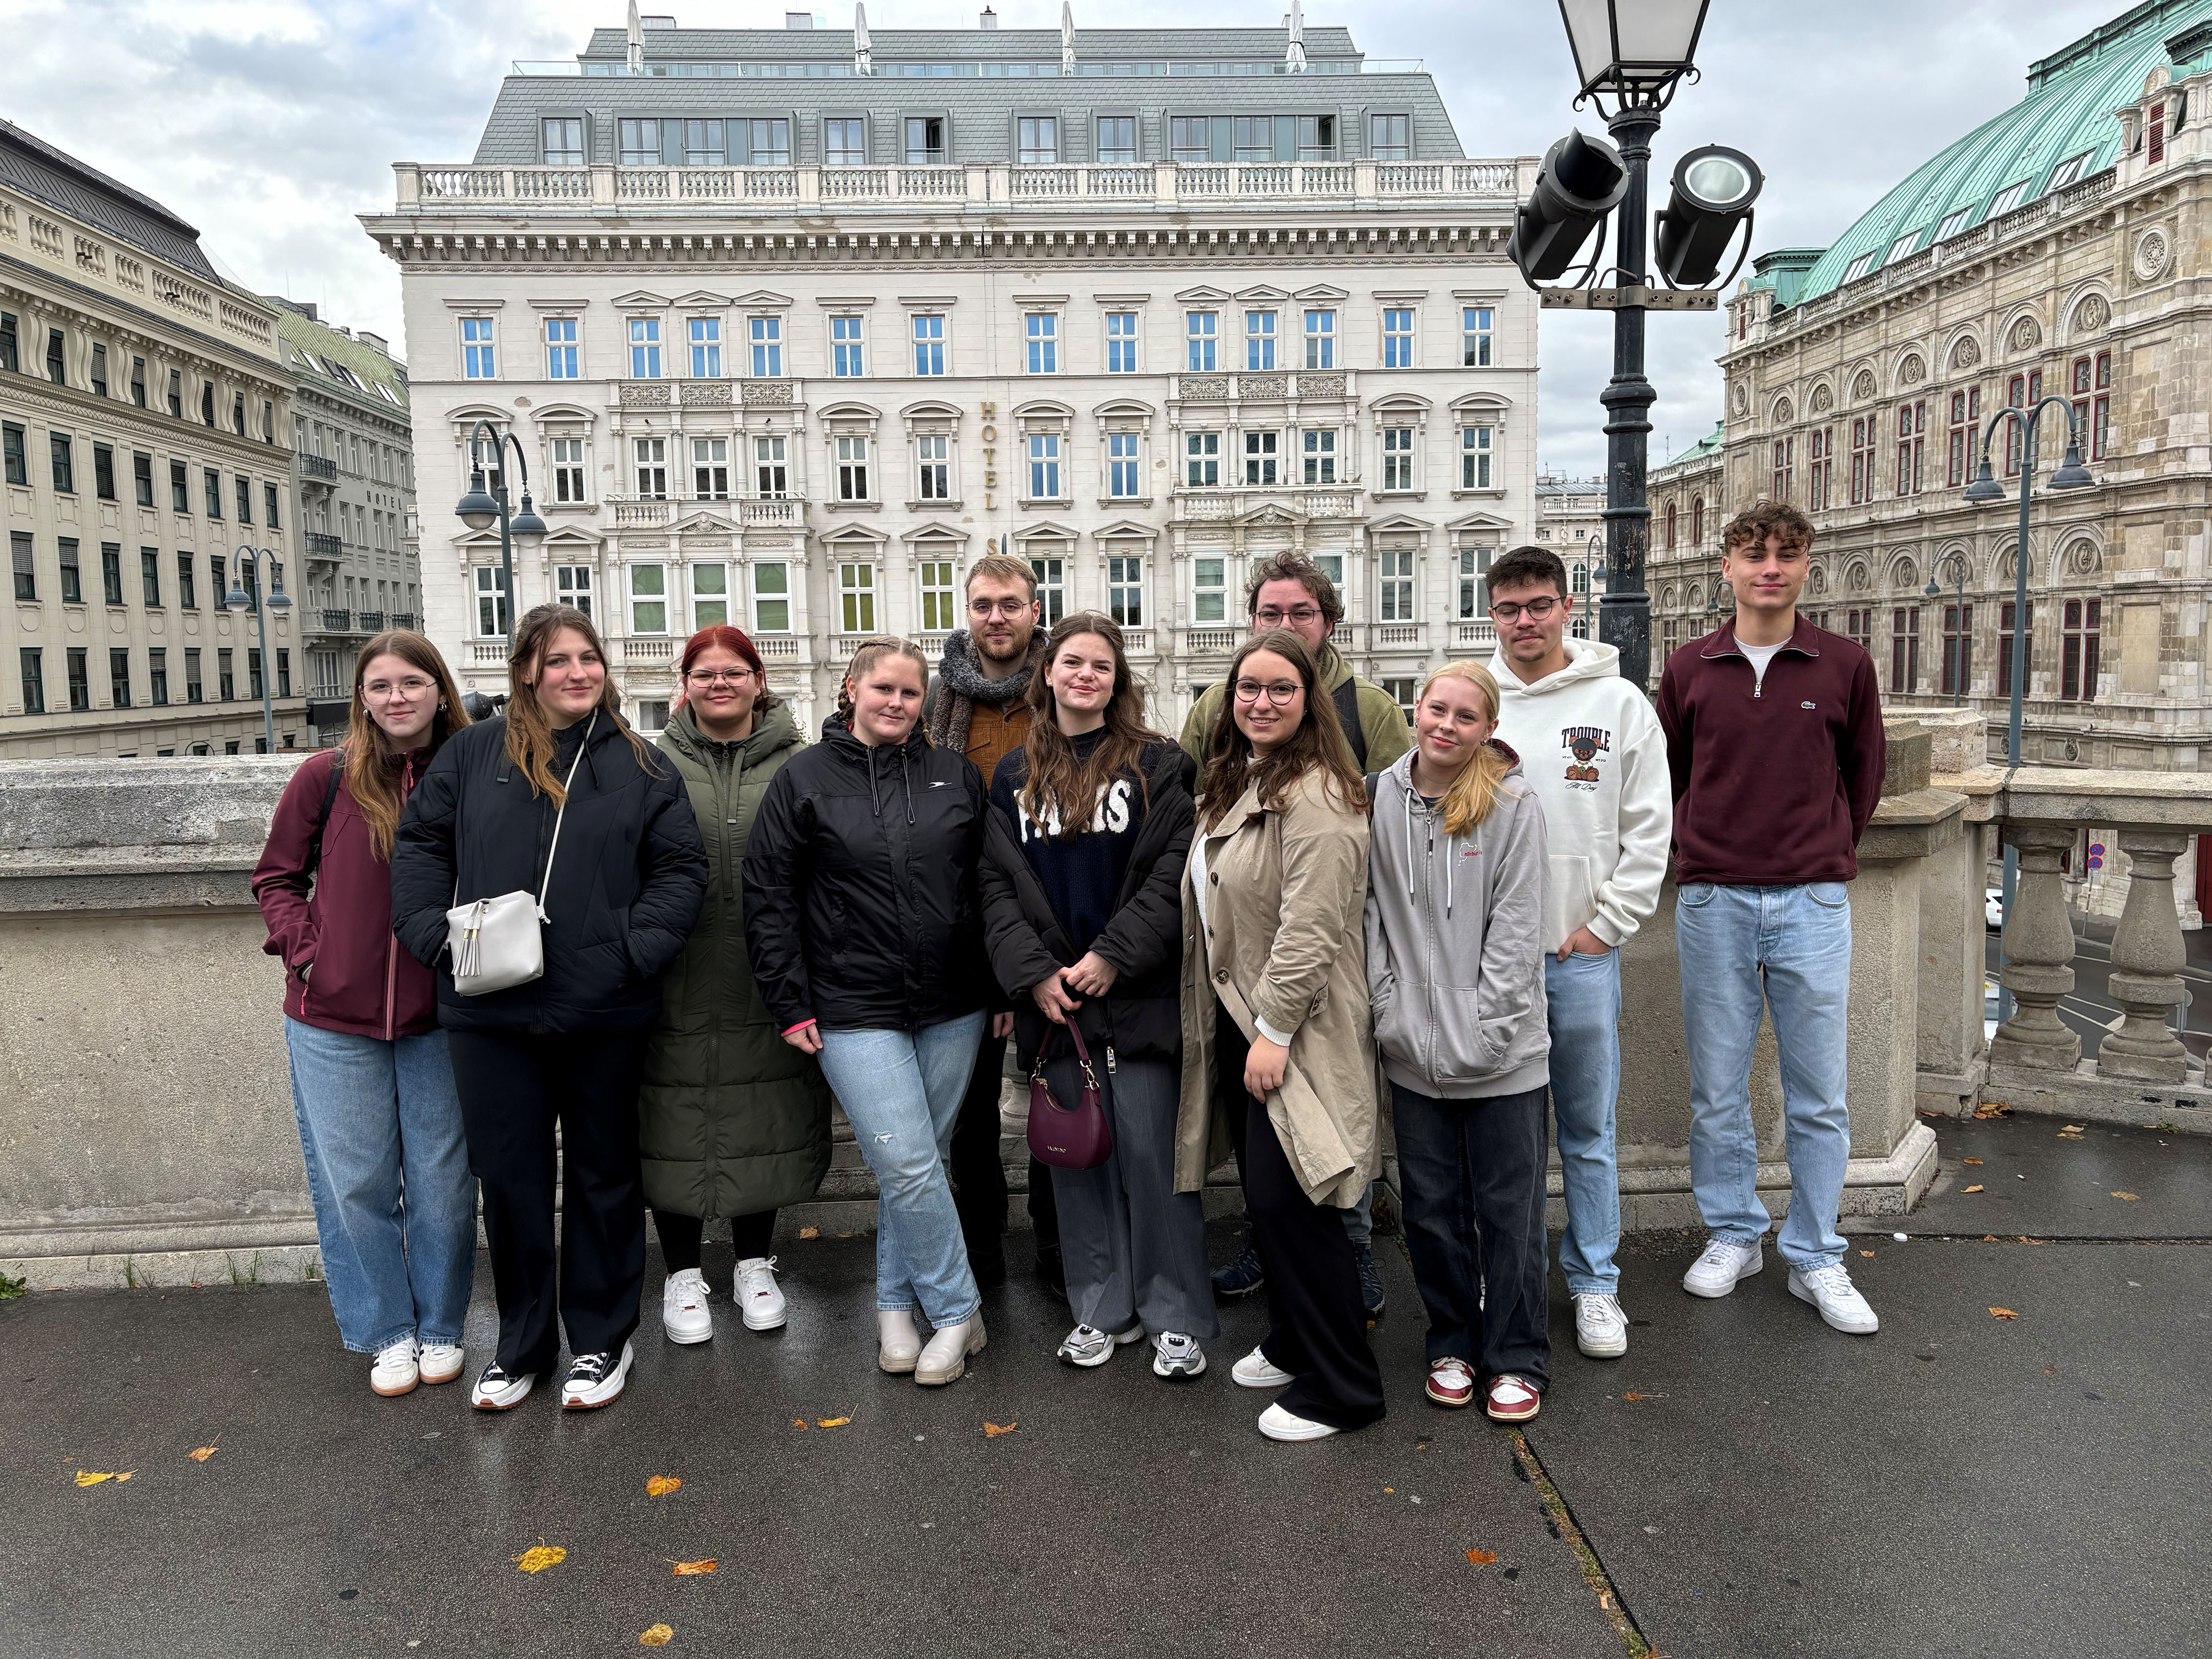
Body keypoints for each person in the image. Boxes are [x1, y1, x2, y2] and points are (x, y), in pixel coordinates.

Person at [392, 604, 707, 1412]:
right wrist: (435, 937)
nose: (578, 673)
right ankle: (522, 1344)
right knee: (511, 1183)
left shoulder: (640, 763)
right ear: (527, 670)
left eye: (589, 659)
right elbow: (422, 846)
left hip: (603, 1007)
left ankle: (602, 1342)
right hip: (490, 1013)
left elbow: (680, 872)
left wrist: (629, 954)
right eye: (559, 660)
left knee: (605, 1178)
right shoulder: (471, 753)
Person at [744, 637, 1006, 1387]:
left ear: (926, 701)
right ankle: (959, 1312)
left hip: (954, 1004)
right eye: (882, 688)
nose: (896, 703)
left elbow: (985, 888)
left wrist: (999, 989)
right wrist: (789, 1001)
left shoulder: (954, 775)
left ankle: (895, 1308)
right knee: (909, 1160)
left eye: (910, 692)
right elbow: (767, 900)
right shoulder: (803, 778)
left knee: (914, 1165)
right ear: (850, 688)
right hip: (853, 1007)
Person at [1657, 500, 1887, 1337]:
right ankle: (1733, 1232)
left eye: (1786, 555)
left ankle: (1817, 1252)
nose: (1770, 568)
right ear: (1727, 567)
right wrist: (1705, 849)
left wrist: (1821, 853)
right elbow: (1671, 779)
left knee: (1819, 1094)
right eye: (1754, 554)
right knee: (1718, 1089)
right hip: (1714, 896)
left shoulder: (1844, 664)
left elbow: (1864, 778)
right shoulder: (1689, 669)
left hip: (1812, 899)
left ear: (1805, 568)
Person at [978, 613, 1218, 1379]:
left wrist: (1115, 954)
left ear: (1119, 682)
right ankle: (1098, 1307)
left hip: (1138, 991)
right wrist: (1034, 973)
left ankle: (1175, 1315)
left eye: (1101, 667)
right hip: (1059, 1005)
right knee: (1075, 1160)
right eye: (1072, 663)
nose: (1086, 676)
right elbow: (993, 885)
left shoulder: (1159, 763)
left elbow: (1177, 869)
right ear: (1046, 674)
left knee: (1153, 1158)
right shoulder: (1012, 774)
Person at [1178, 551, 1411, 1315]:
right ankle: (1272, 1253)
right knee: (1271, 1136)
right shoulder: (1216, 701)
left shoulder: (1370, 708)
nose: (1284, 626)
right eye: (1270, 614)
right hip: (1243, 964)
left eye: (1299, 613)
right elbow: (1199, 806)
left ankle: (1351, 1264)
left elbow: (1397, 829)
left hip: (1333, 957)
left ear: (1327, 623)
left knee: (1335, 1120)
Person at [252, 630, 477, 1399]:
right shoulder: (327, 775)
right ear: (362, 698)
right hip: (330, 1019)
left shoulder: (472, 769)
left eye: (412, 682)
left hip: (441, 1014)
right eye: (380, 686)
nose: (397, 698)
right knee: (357, 1185)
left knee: (444, 1183)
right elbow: (277, 877)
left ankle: (444, 1323)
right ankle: (387, 1331)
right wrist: (307, 953)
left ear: (439, 689)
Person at [1176, 630, 1384, 1442]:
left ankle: (1344, 1386)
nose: (1261, 702)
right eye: (1248, 688)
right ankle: (1299, 1341)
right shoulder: (1248, 777)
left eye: (1281, 689)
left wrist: (1274, 1031)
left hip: (1294, 1027)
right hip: (1247, 1021)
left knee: (1299, 1200)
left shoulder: (1322, 794)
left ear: (1310, 702)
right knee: (1274, 1202)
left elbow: (1313, 925)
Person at [1486, 545, 1671, 1361]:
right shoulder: (1471, 699)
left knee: (1588, 1131)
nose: (1525, 622)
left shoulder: (1620, 703)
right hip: (1491, 967)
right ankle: (1505, 1273)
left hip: (1579, 958)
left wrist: (1606, 926)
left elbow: (1647, 829)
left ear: (1569, 606)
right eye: (1509, 608)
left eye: (1539, 604)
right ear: (1491, 614)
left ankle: (1596, 1282)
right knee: (1500, 1137)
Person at [1366, 660, 1553, 1421]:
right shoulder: (1380, 796)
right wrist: (1388, 1009)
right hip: (1413, 1049)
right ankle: (1451, 1340)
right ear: (1417, 709)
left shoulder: (1511, 804)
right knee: (1432, 1211)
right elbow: (1370, 915)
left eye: (1465, 716)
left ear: (1488, 728)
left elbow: (1518, 932)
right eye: (1436, 709)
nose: (1446, 725)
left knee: (1511, 1211)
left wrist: (1489, 1030)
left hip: (1503, 1054)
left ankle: (1517, 1355)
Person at [637, 624, 832, 1347]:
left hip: (769, 973)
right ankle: (683, 1272)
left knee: (764, 1115)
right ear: (682, 685)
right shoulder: (648, 765)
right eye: (704, 673)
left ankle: (754, 1262)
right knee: (672, 1118)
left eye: (735, 672)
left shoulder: (803, 764)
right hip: (677, 972)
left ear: (759, 681)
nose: (720, 683)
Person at [923, 552, 1065, 1297]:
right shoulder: (939, 701)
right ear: (968, 612)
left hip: (1056, 929)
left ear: (1034, 611)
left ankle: (1058, 1250)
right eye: (983, 605)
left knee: (1058, 1094)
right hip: (963, 934)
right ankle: (980, 1264)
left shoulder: (1067, 688)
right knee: (971, 1118)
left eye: (1011, 604)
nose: (997, 618)